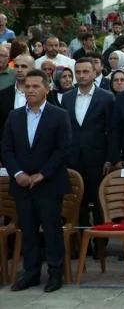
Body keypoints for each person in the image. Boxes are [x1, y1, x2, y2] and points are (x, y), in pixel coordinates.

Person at [3, 69, 71, 293]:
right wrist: (18, 173)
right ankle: (30, 274)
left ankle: (54, 274)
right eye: (27, 87)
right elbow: (7, 149)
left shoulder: (59, 115)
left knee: (51, 231)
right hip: (21, 184)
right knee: (28, 230)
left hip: (49, 184)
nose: (30, 90)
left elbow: (62, 150)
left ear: (47, 89)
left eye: (35, 86)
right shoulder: (14, 116)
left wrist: (42, 174)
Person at [61, 58, 116, 257]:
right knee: (79, 203)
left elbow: (112, 129)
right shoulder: (66, 98)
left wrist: (110, 158)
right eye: (79, 71)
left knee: (99, 202)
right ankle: (82, 242)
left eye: (86, 71)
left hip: (98, 159)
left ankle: (101, 244)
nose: (82, 75)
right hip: (74, 159)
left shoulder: (107, 97)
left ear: (94, 73)